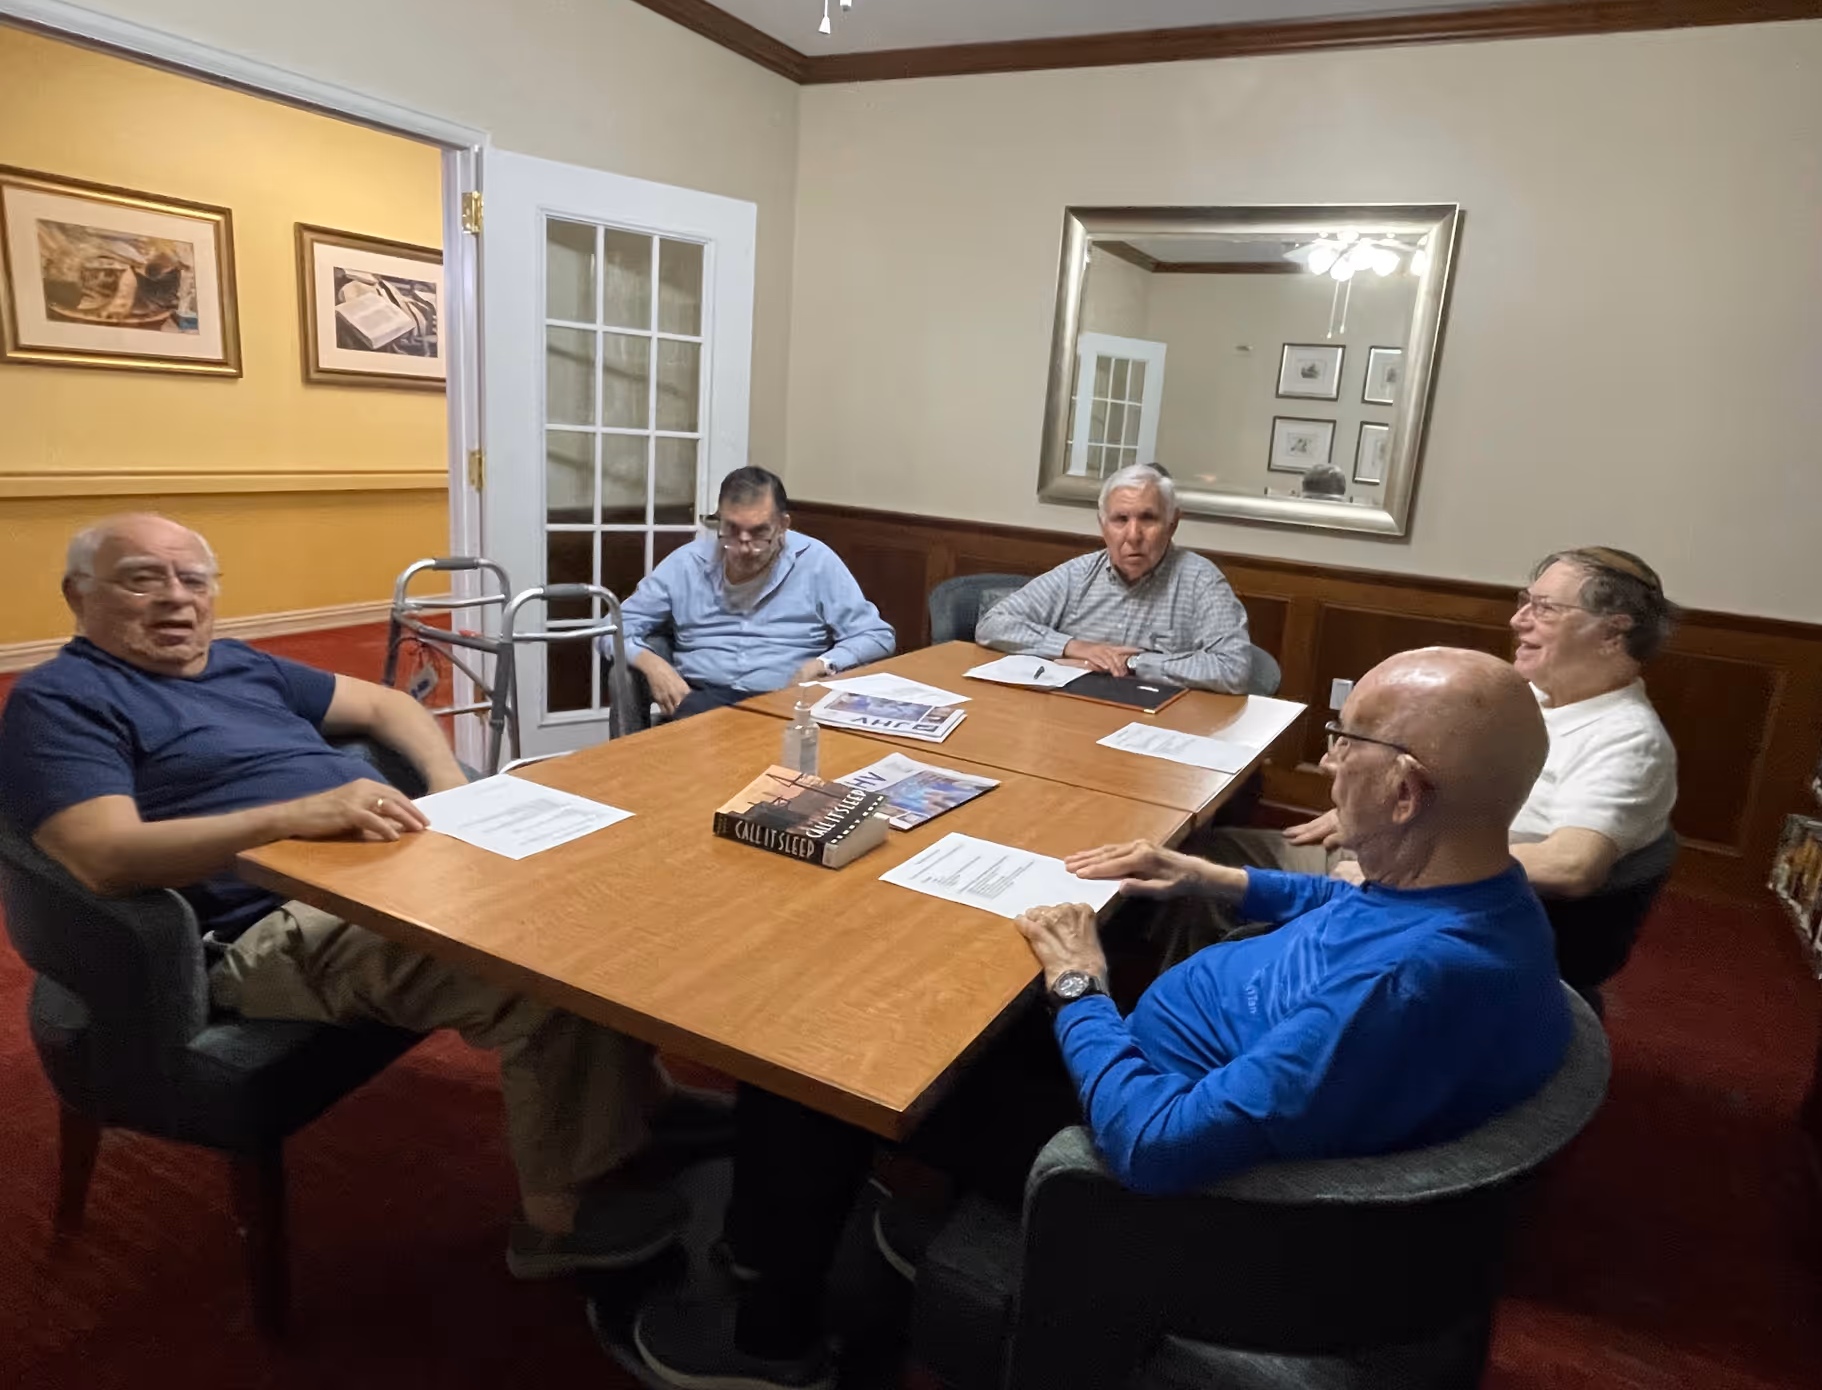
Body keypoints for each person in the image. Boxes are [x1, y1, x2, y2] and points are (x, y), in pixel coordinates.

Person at [610, 647, 1572, 1390]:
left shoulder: (1393, 993)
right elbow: (1355, 911)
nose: (1326, 764)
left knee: (821, 1052)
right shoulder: (1482, 896)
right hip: (1175, 1074)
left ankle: (773, 1337)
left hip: (1140, 1185)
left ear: (1405, 791)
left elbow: (1152, 1146)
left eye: (1347, 744)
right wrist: (1216, 877)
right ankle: (789, 1217)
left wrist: (1081, 987)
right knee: (939, 994)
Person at [0, 513, 729, 1282]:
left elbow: (392, 707)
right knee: (537, 966)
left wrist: (455, 790)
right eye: (142, 578)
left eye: (193, 579)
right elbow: (104, 859)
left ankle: (641, 1106)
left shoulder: (239, 665)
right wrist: (290, 819)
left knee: (617, 891)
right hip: (276, 921)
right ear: (78, 596)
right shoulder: (62, 701)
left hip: (406, 861)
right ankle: (563, 1218)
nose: (175, 599)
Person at [1284, 547, 1678, 898]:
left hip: (1431, 898)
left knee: (1229, 877)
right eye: (1525, 602)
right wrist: (1371, 812)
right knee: (1236, 856)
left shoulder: (1628, 740)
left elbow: (1571, 865)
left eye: (1545, 609)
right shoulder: (1532, 700)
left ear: (1613, 632)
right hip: (1397, 855)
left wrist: (1408, 866)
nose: (1517, 620)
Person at [618, 467, 895, 719]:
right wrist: (651, 663)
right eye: (732, 530)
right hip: (703, 700)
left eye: (759, 532)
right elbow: (612, 629)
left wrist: (824, 663)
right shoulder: (686, 563)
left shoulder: (816, 561)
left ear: (783, 525)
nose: (744, 547)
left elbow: (876, 635)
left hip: (786, 699)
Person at [975, 462, 1253, 693]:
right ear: (1102, 525)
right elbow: (993, 623)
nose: (1133, 536)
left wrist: (1133, 663)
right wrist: (1074, 647)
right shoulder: (1078, 574)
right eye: (1121, 519)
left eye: (1148, 518)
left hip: (1159, 724)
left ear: (1172, 524)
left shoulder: (1201, 581)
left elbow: (1233, 668)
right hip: (1075, 713)